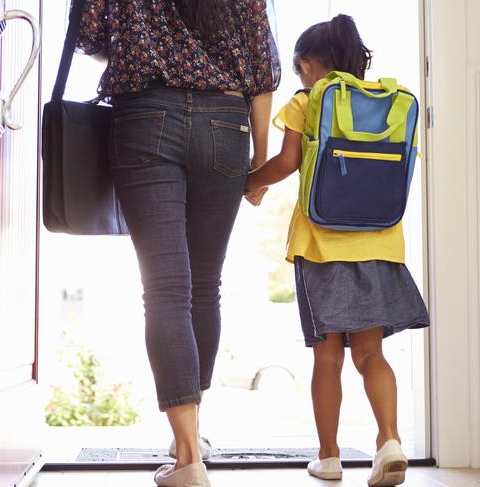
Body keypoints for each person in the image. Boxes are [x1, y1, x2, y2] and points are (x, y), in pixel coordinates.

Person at [75, 1, 280, 485]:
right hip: (226, 125)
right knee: (204, 286)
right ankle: (190, 435)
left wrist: (144, 48)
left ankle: (188, 457)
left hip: (145, 117)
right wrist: (260, 158)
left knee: (166, 290)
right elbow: (261, 70)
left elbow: (89, 36)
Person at [245, 14, 430, 487]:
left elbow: (287, 162)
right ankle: (389, 441)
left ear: (306, 64)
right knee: (371, 354)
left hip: (321, 244)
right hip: (381, 241)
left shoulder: (307, 100)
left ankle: (328, 458)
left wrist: (250, 185)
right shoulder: (387, 103)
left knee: (327, 358)